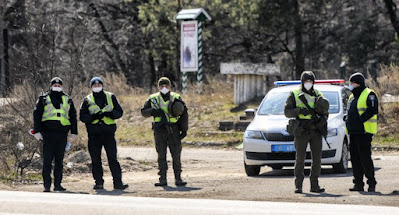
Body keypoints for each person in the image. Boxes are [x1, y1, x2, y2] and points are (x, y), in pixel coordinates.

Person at [79, 77, 128, 190]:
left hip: (108, 134)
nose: (97, 86)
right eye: (94, 85)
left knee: (113, 159)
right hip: (94, 134)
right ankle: (99, 182)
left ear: (102, 85)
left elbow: (119, 112)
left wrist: (110, 114)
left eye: (99, 84)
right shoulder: (87, 99)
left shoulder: (110, 96)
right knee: (96, 160)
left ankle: (118, 183)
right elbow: (82, 117)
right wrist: (93, 117)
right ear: (91, 87)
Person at [284, 71, 329, 193]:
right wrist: (299, 111)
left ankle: (315, 185)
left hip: (315, 130)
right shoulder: (295, 94)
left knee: (317, 159)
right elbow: (287, 112)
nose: (308, 83)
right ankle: (298, 185)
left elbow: (325, 111)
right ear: (302, 82)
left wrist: (322, 121)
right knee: (300, 159)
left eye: (310, 81)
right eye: (306, 81)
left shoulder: (318, 94)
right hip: (301, 130)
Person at [141, 77, 189, 187]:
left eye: (166, 86)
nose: (164, 88)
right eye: (161, 86)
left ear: (170, 87)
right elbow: (143, 112)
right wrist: (153, 111)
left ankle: (178, 179)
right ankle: (162, 179)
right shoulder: (153, 99)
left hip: (174, 129)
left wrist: (184, 129)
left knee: (176, 155)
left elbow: (184, 114)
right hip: (159, 130)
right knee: (161, 155)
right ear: (158, 87)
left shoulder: (176, 97)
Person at [33, 77, 78, 192]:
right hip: (47, 134)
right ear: (51, 86)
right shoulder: (43, 99)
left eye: (59, 85)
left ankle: (58, 185)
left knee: (59, 161)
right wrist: (36, 131)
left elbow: (73, 116)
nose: (57, 87)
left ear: (62, 86)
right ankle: (46, 185)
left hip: (62, 135)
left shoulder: (68, 99)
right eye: (55, 85)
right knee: (47, 161)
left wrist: (74, 132)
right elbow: (37, 115)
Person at [346, 72, 378, 192]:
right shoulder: (352, 96)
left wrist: (360, 120)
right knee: (355, 159)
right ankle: (358, 184)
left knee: (365, 159)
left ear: (358, 83)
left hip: (364, 132)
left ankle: (371, 183)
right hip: (353, 133)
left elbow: (372, 109)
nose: (350, 85)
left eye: (352, 83)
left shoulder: (369, 94)